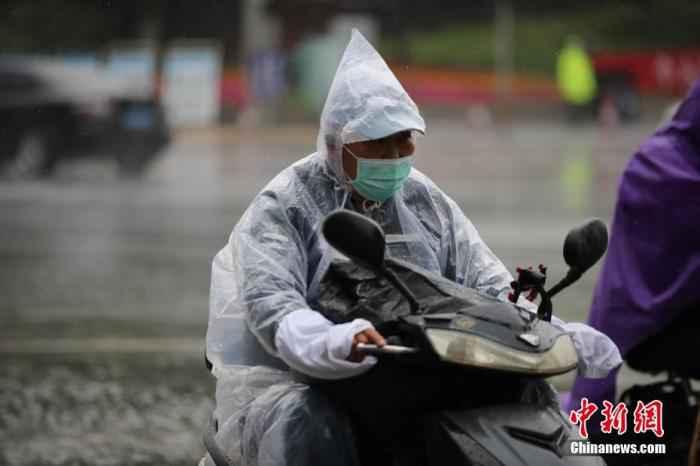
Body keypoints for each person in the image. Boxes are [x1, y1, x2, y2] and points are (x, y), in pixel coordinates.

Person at [205, 29, 621, 466]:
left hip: (415, 372)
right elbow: (272, 304)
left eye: (402, 139)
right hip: (297, 383)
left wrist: (548, 331)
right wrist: (327, 339)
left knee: (525, 394)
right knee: (309, 422)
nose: (393, 154)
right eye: (376, 142)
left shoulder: (425, 201)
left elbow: (485, 283)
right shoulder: (287, 203)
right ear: (336, 142)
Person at [564, 79, 700, 419]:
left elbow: (614, 293)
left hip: (639, 333)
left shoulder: (653, 164)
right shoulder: (656, 171)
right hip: (664, 335)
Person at [556, 35, 598, 122]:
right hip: (582, 88)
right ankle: (577, 120)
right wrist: (592, 86)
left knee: (574, 109)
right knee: (579, 109)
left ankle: (574, 120)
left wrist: (562, 86)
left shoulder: (565, 56)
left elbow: (561, 73)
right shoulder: (582, 56)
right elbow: (588, 73)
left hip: (572, 88)